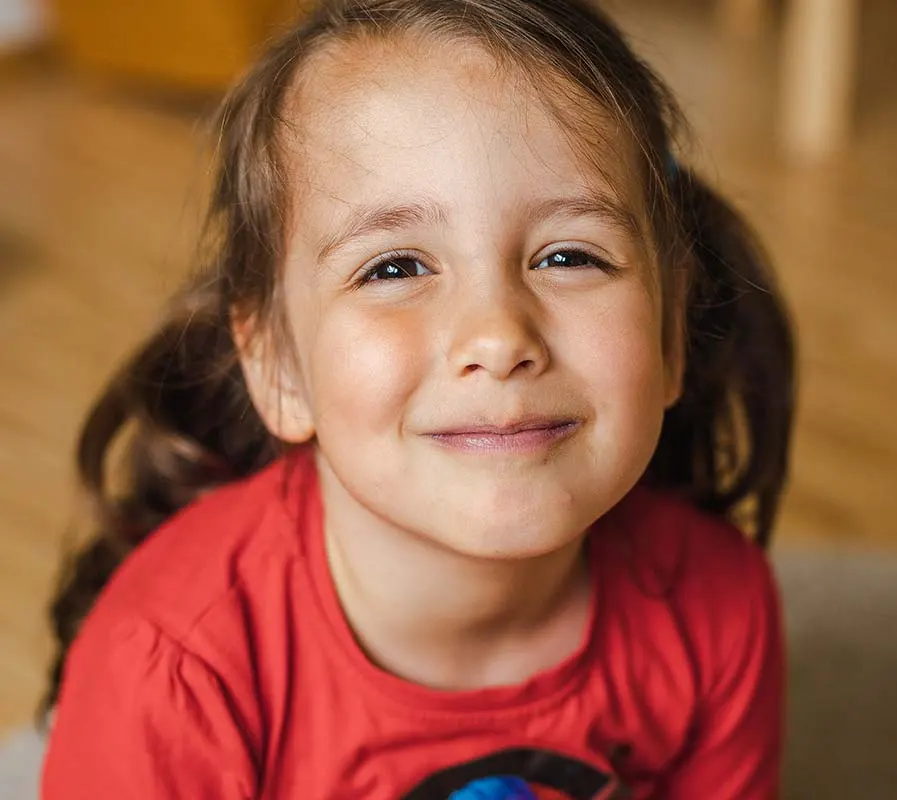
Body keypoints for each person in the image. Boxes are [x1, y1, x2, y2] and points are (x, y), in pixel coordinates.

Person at [39, 0, 796, 796]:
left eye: (570, 255)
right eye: (395, 268)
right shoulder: (168, 672)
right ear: (277, 364)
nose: (499, 335)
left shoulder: (720, 609)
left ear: (672, 332)